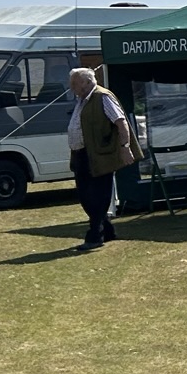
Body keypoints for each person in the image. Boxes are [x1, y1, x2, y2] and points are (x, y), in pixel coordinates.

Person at [67, 67, 138, 249]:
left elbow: (121, 123)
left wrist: (125, 147)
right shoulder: (82, 100)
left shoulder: (103, 97)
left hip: (100, 155)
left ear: (86, 82)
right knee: (86, 197)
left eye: (74, 83)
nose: (71, 87)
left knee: (98, 196)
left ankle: (94, 237)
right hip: (81, 155)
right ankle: (108, 231)